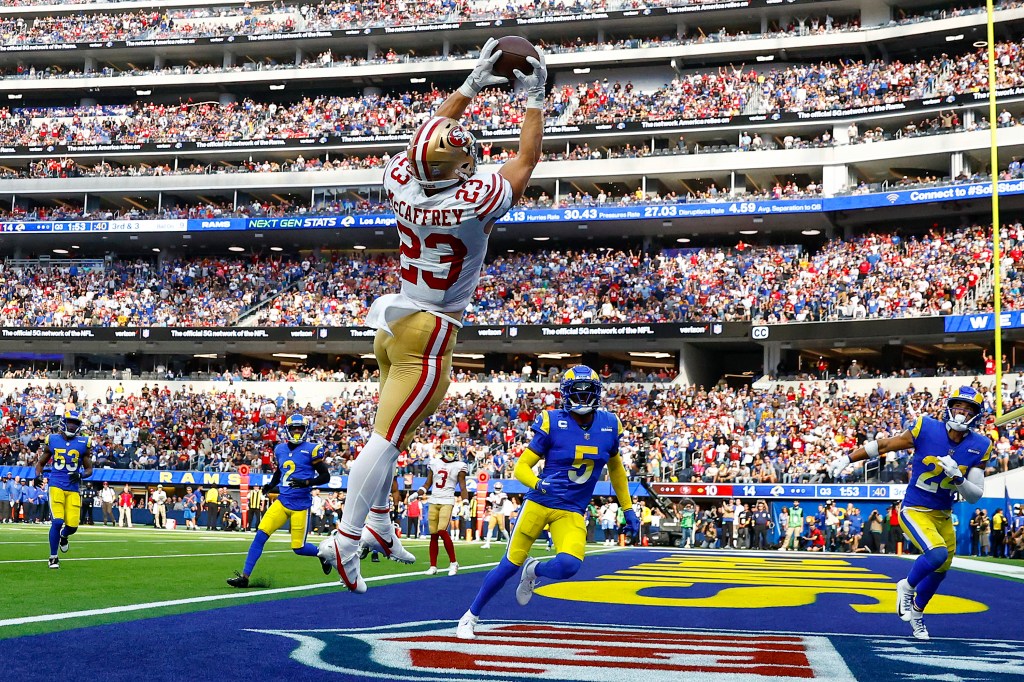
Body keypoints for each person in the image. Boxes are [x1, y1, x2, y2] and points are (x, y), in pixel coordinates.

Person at [323, 36, 548, 594]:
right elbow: (526, 159)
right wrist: (533, 97)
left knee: (390, 430)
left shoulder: (398, 180)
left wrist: (470, 86)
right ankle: (347, 536)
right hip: (429, 331)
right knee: (386, 441)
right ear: (460, 168)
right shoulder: (475, 199)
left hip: (393, 322)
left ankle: (375, 523)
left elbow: (426, 141)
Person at [456, 366, 640, 639]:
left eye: (586, 392)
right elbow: (521, 467)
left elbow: (617, 470)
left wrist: (628, 508)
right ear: (566, 395)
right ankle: (469, 617)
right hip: (540, 503)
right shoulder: (552, 420)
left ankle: (534, 570)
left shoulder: (609, 423)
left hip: (572, 510)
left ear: (596, 393)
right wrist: (538, 483)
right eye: (575, 393)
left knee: (569, 566)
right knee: (508, 565)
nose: (581, 398)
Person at [828, 386, 989, 640]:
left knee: (940, 571)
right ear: (950, 407)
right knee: (936, 554)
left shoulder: (980, 445)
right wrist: (848, 458)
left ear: (976, 415)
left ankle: (917, 615)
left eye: (968, 409)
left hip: (943, 513)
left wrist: (957, 477)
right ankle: (906, 585)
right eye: (959, 406)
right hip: (915, 508)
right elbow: (885, 445)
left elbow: (974, 495)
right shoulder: (926, 427)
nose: (961, 412)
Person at [228, 414, 332, 587]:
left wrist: (307, 482)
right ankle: (244, 577)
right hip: (283, 501)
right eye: (294, 428)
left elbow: (325, 476)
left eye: (300, 428)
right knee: (260, 536)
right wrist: (271, 485)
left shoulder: (313, 449)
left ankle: (323, 554)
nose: (297, 431)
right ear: (288, 430)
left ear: (305, 430)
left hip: (300, 505)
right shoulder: (280, 449)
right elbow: (280, 472)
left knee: (298, 548)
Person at [35, 409, 93, 569]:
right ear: (63, 422)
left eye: (76, 423)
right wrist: (37, 475)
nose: (73, 426)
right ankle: (53, 557)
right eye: (70, 422)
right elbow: (40, 462)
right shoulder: (52, 440)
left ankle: (64, 536)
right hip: (56, 485)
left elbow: (89, 469)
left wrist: (81, 475)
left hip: (73, 488)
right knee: (57, 521)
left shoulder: (84, 443)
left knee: (73, 526)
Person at [420, 442, 468, 576]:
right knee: (433, 534)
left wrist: (466, 503)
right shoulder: (434, 463)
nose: (451, 453)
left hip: (447, 500)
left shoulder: (460, 465)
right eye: (449, 451)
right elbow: (427, 483)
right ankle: (433, 566)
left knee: (442, 530)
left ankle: (453, 562)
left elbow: (463, 487)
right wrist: (417, 493)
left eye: (453, 451)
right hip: (434, 499)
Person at [481, 482, 510, 549]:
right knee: (490, 528)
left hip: (500, 513)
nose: (497, 489)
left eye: (498, 488)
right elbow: (490, 504)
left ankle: (509, 542)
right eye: (496, 488)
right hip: (494, 513)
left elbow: (500, 504)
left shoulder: (503, 495)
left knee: (502, 529)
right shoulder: (491, 494)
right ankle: (487, 544)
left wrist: (493, 501)